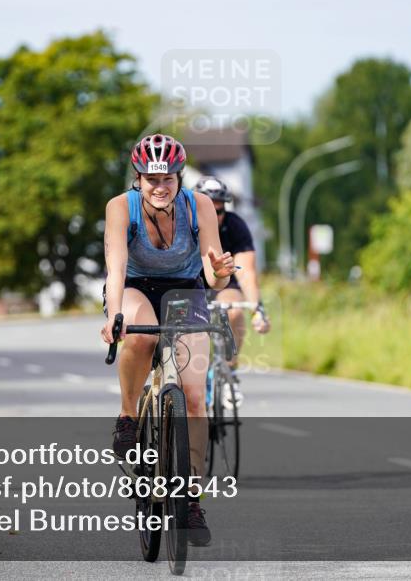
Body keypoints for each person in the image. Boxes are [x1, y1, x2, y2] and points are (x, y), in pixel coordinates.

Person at [101, 133, 235, 547]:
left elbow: (214, 275)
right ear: (138, 178)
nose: (160, 187)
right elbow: (116, 263)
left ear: (179, 177)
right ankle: (127, 416)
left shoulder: (199, 207)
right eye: (151, 178)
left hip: (186, 289)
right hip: (137, 286)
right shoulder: (122, 207)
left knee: (194, 396)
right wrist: (114, 317)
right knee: (139, 340)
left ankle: (190, 499)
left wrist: (221, 271)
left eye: (169, 178)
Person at [193, 176, 271, 384]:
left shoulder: (235, 226)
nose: (214, 216)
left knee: (234, 311)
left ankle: (229, 368)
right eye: (207, 210)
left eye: (219, 211)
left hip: (224, 285)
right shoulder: (181, 224)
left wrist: (257, 309)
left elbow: (246, 272)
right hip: (190, 286)